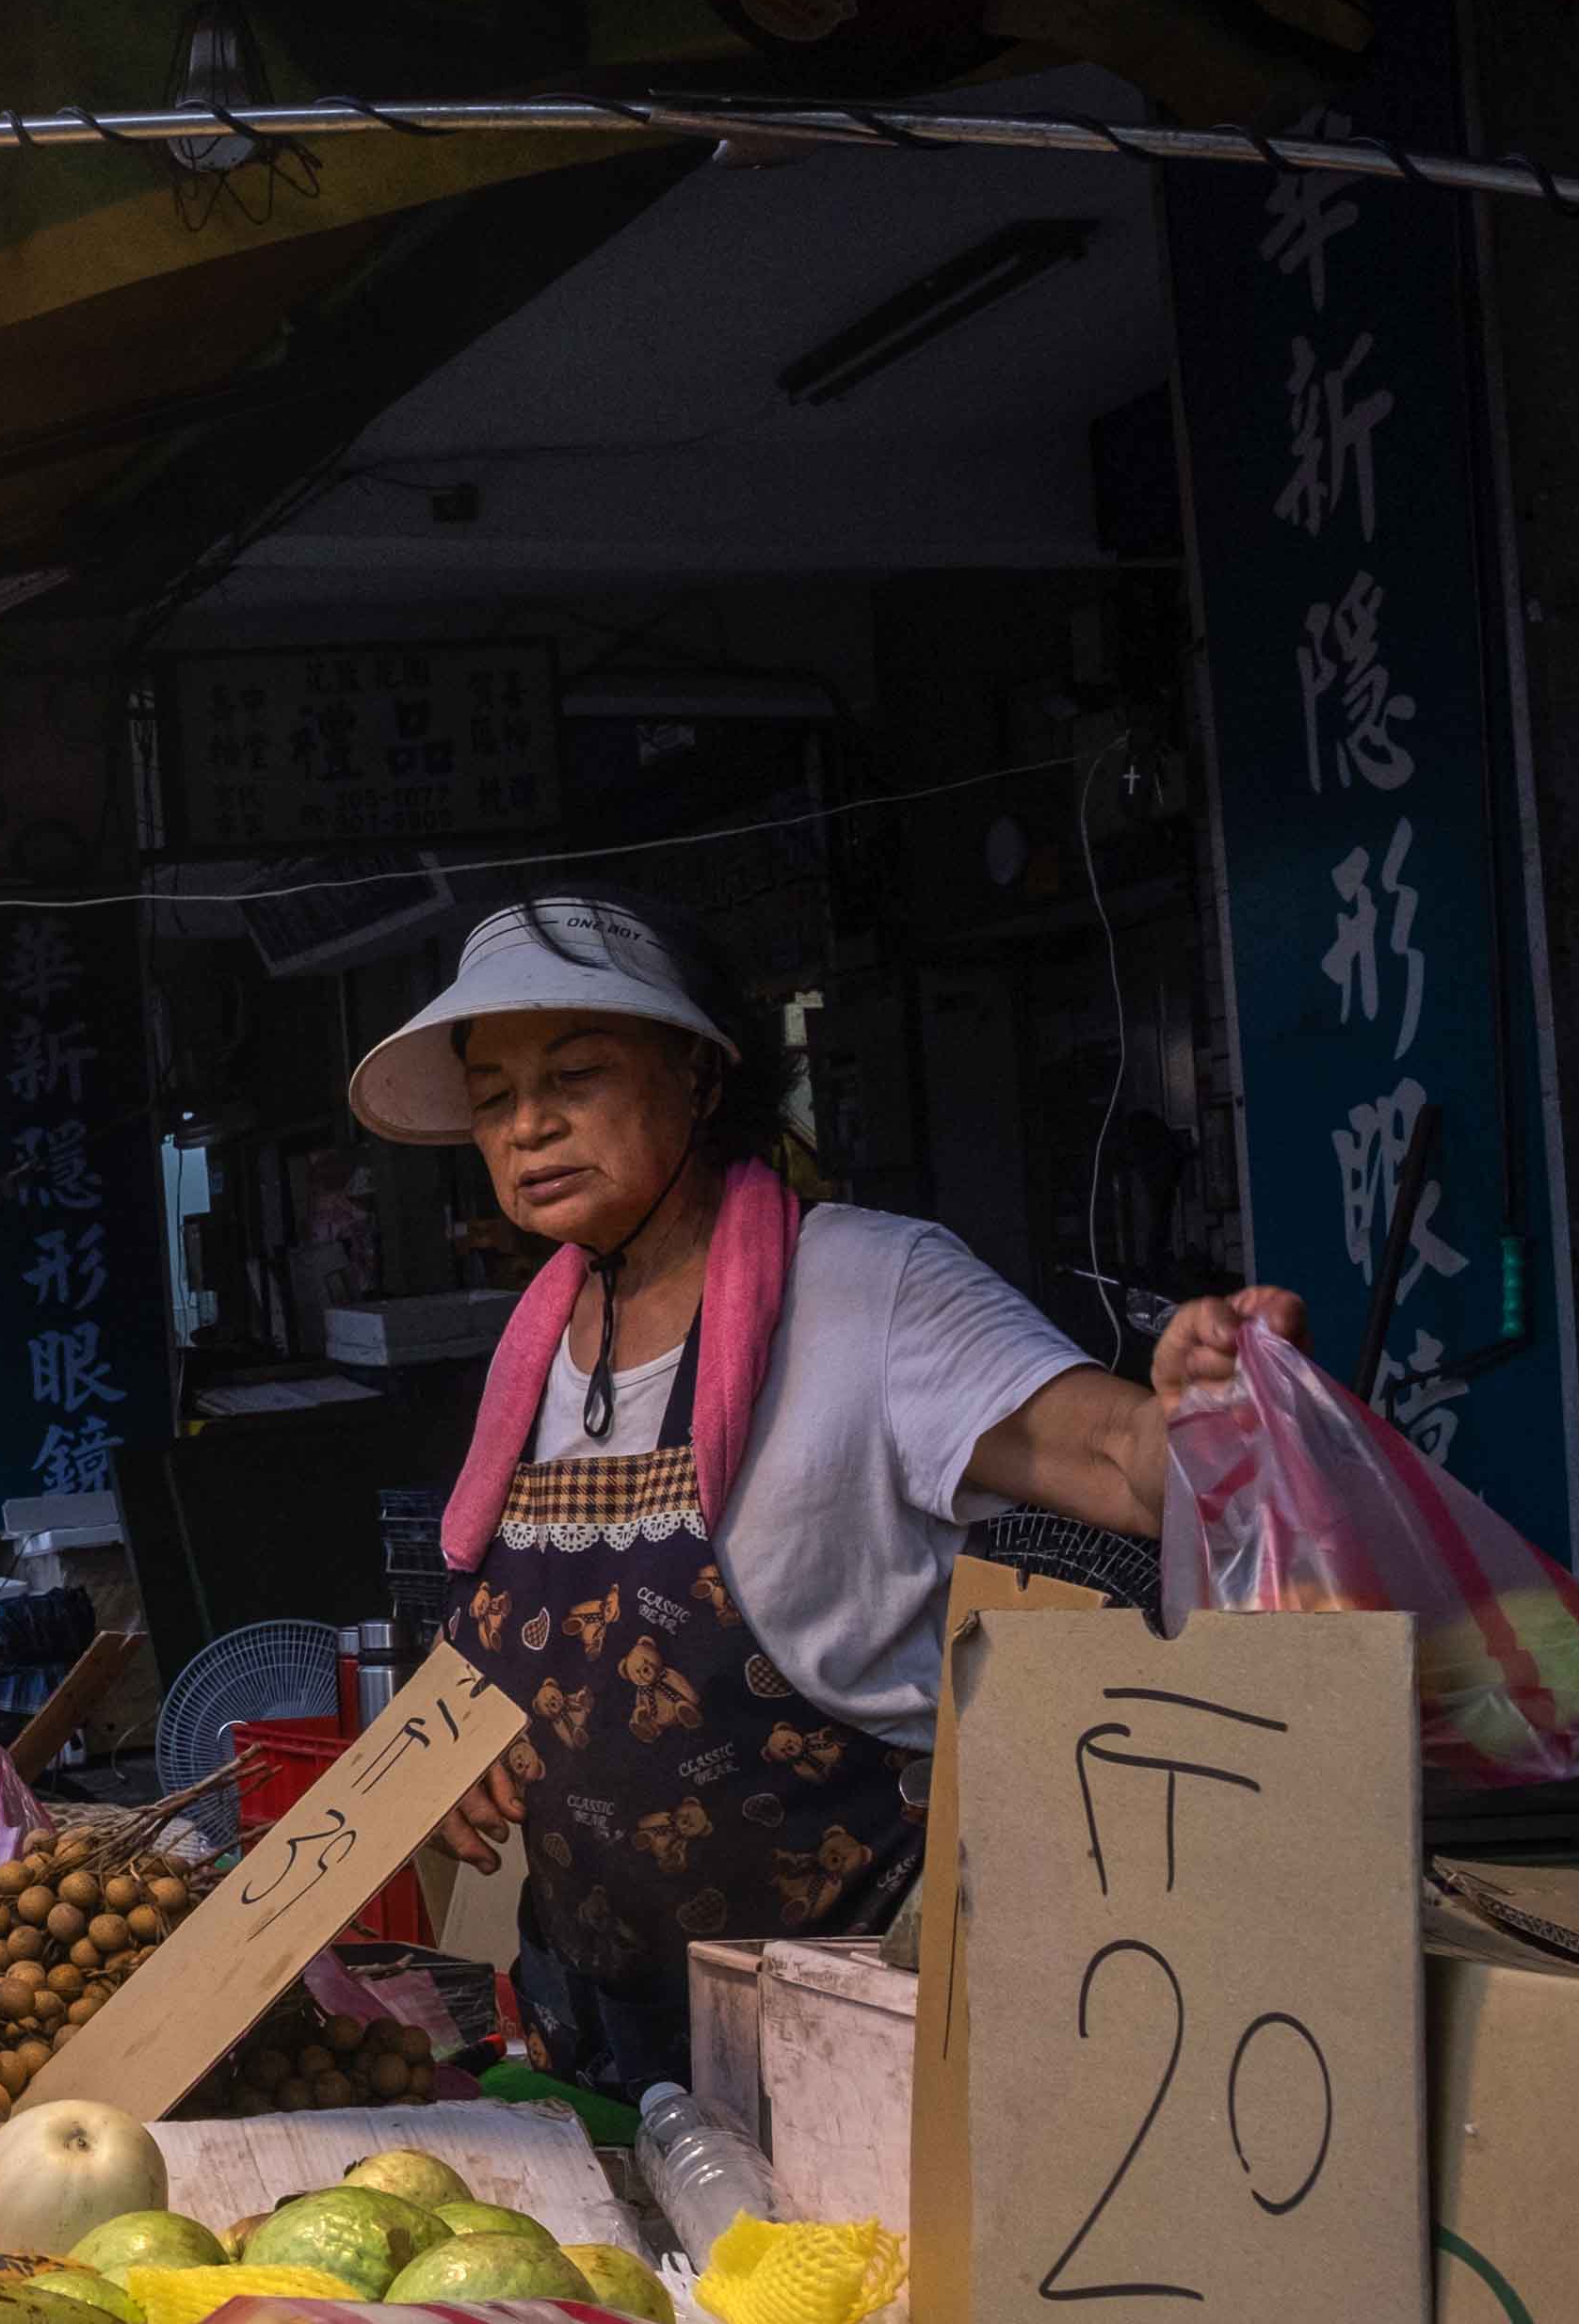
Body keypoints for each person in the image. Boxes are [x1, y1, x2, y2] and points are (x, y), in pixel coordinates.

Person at [346, 890, 1301, 2087]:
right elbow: (524, 1641)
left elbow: (1119, 1460)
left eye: (578, 1075)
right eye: (494, 1098)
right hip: (598, 2033)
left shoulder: (869, 1282)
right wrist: (460, 1744)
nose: (530, 1126)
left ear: (699, 1075)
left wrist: (1202, 1413)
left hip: (860, 2027)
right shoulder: (538, 1338)